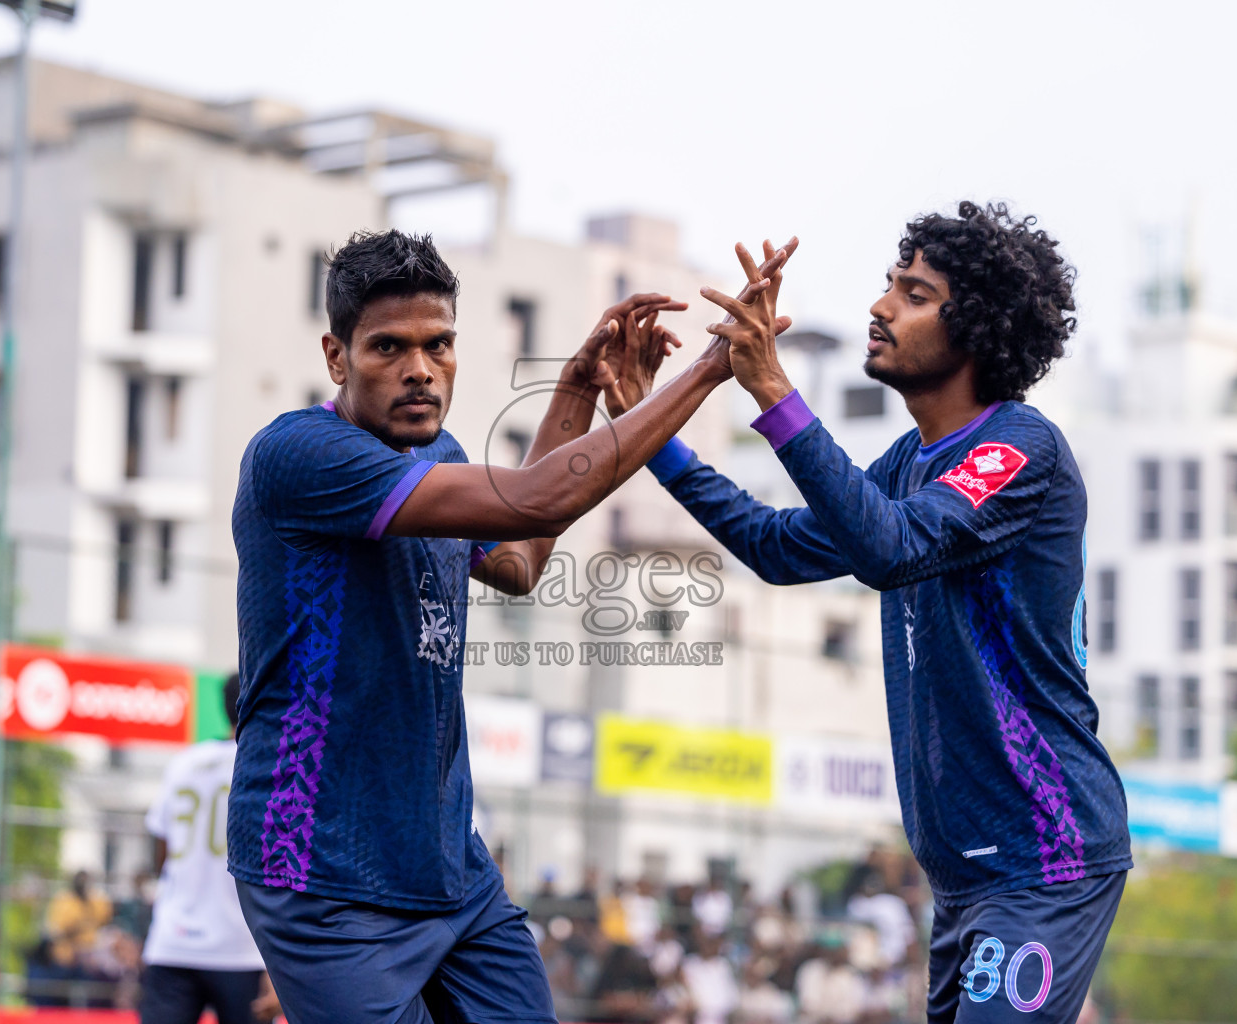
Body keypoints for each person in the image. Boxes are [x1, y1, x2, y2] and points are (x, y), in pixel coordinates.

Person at [227, 228, 794, 1024]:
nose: (420, 369)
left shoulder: (442, 453)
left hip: (449, 872)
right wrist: (709, 370)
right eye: (388, 347)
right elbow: (536, 499)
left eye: (439, 345)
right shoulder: (301, 455)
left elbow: (522, 557)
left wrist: (575, 391)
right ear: (336, 356)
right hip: (324, 877)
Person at [612, 203, 1132, 1022]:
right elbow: (778, 548)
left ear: (977, 328)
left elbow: (893, 547)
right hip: (965, 879)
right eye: (890, 285)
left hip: (1045, 855)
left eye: (914, 293)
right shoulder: (905, 465)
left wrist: (775, 390)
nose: (880, 306)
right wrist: (647, 433)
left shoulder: (1019, 450)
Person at [139, 674, 271, 1024]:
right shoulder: (267, 766)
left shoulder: (184, 763)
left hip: (173, 943)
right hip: (243, 950)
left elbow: (161, 851)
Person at [44, 870, 113, 975]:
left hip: (92, 955)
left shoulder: (96, 900)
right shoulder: (64, 900)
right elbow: (57, 931)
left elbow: (105, 921)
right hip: (67, 955)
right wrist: (79, 927)